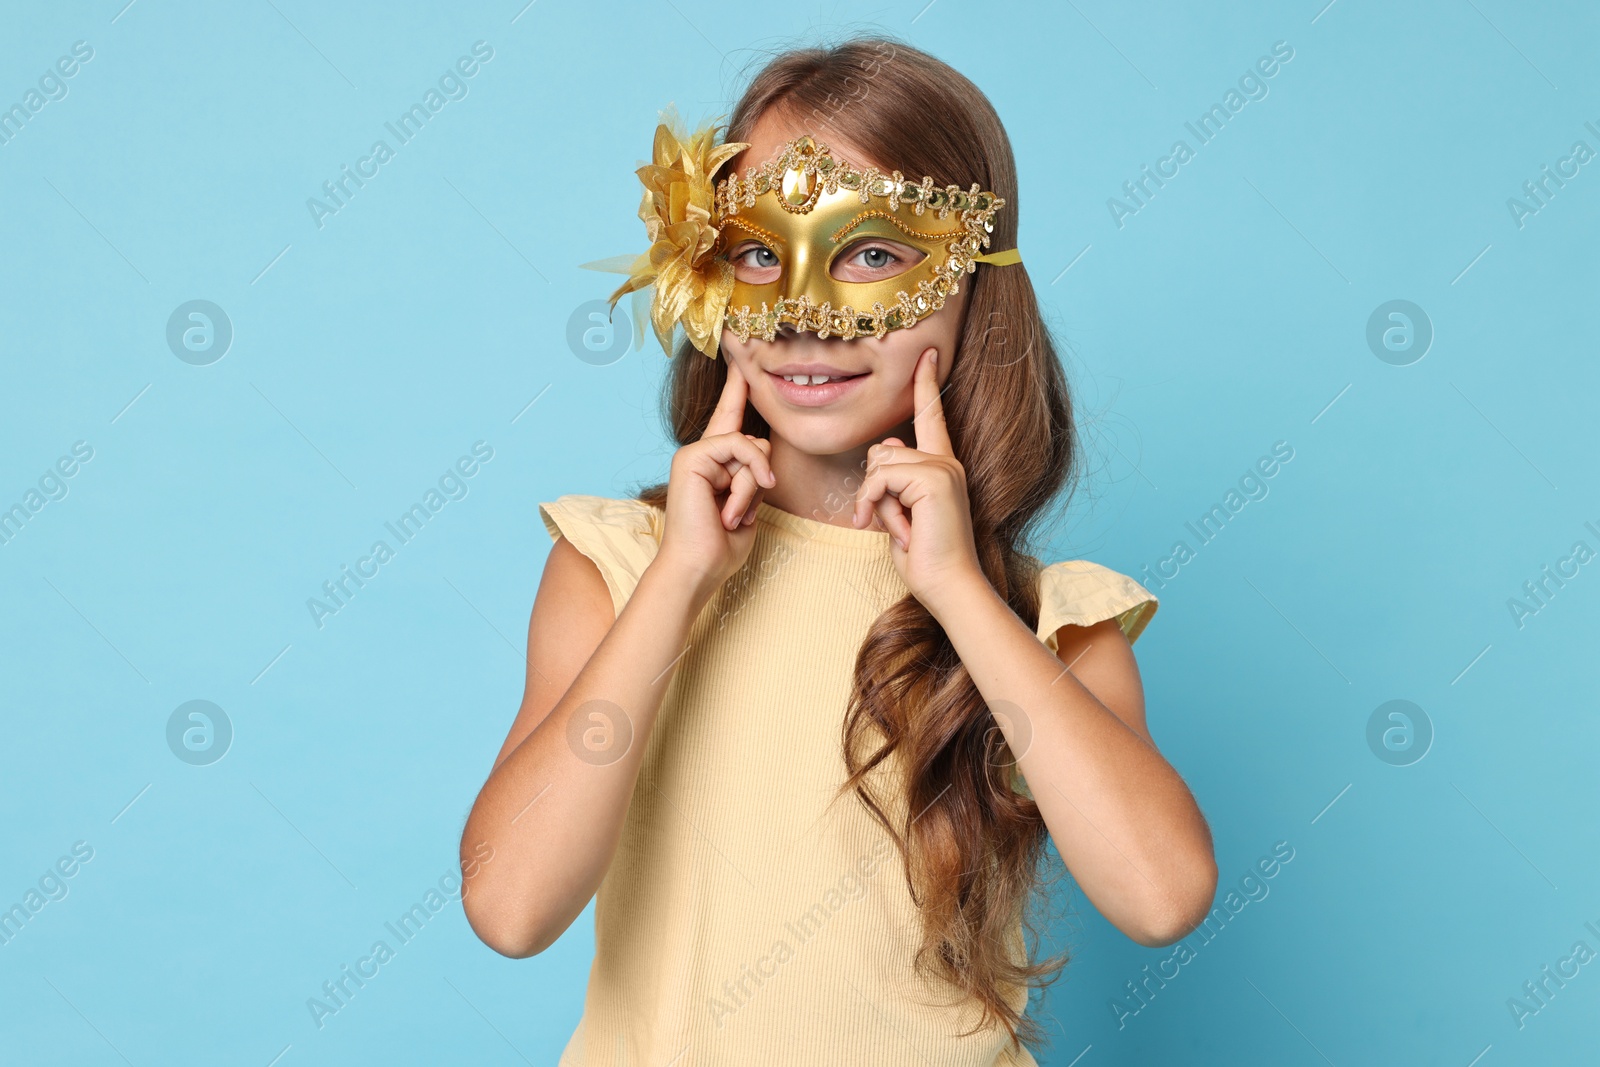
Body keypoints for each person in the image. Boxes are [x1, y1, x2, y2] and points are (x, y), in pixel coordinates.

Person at [458, 34, 1217, 1066]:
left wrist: (958, 594)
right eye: (760, 253)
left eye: (871, 253)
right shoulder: (619, 564)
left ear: (971, 283)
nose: (806, 316)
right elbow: (510, 905)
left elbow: (1162, 895)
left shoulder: (1048, 619)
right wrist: (681, 579)